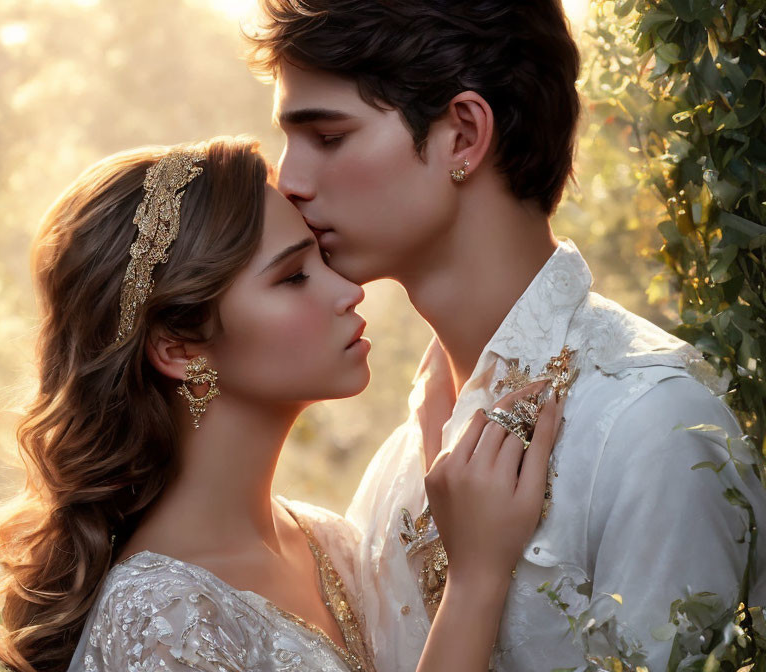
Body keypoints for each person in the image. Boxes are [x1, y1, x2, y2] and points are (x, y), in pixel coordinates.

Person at [247, 1, 766, 670]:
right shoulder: (397, 469)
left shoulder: (653, 431)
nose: (289, 181)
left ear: (463, 135)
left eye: (328, 137)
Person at [0, 136, 565, 672]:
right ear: (176, 347)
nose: (349, 290)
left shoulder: (327, 541)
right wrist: (475, 582)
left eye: (320, 259)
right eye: (293, 277)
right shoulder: (159, 618)